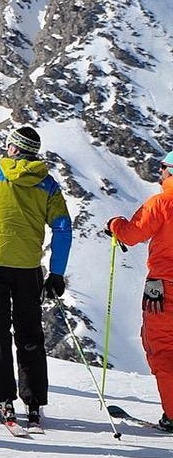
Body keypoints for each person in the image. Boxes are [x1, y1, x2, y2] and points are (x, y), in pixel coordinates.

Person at [0, 125, 71, 428]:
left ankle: (3, 400)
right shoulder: (47, 183)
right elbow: (62, 229)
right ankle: (33, 404)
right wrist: (56, 273)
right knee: (29, 335)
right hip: (28, 267)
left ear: (13, 148)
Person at [107, 151, 173, 432]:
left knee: (163, 349)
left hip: (164, 287)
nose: (159, 173)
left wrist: (114, 224)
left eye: (162, 168)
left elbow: (131, 234)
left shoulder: (162, 202)